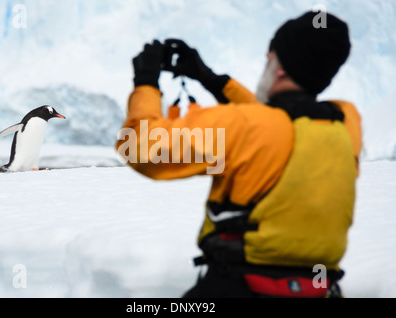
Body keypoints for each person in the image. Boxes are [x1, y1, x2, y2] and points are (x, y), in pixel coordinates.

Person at [116, 11, 362, 298]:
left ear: (279, 69)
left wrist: (145, 83)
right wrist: (212, 80)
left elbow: (140, 147)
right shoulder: (346, 123)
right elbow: (279, 122)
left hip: (237, 287)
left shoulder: (243, 128)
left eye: (269, 58)